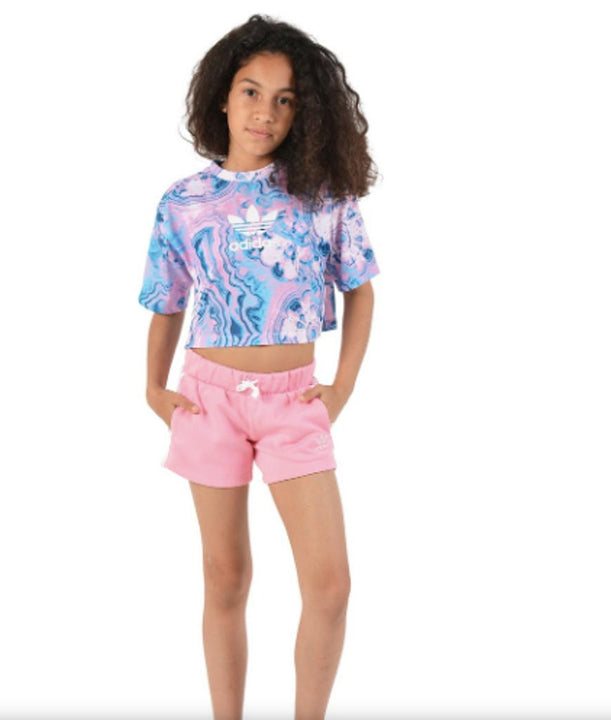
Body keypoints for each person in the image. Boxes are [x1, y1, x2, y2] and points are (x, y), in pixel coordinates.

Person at [137, 14, 380, 720]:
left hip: (293, 403)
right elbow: (166, 301)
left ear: (303, 113)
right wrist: (153, 388)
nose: (264, 112)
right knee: (226, 579)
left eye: (284, 99)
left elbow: (361, 288)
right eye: (250, 91)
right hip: (206, 399)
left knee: (329, 586)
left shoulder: (322, 195)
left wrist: (341, 388)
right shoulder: (183, 202)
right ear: (222, 97)